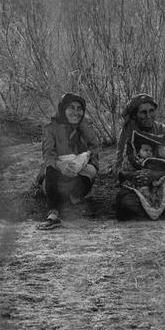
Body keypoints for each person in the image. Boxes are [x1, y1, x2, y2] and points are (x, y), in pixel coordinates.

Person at [36, 93, 100, 230]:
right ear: (63, 108)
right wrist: (61, 165)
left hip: (78, 173)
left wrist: (84, 161)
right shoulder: (51, 127)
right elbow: (48, 155)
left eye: (79, 108)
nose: (76, 112)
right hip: (55, 176)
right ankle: (53, 214)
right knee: (50, 169)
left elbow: (94, 149)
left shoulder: (85, 126)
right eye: (71, 107)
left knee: (91, 170)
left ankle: (71, 201)